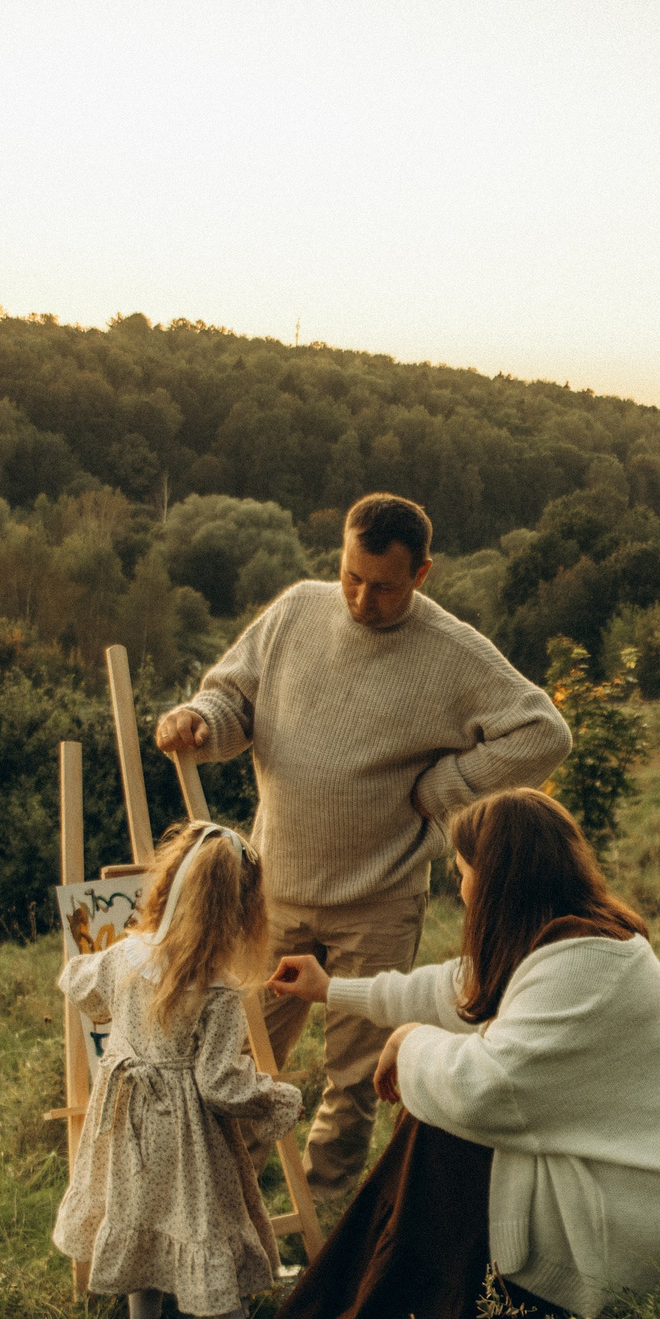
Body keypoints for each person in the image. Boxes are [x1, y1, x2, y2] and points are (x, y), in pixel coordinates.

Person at [154, 493, 571, 1200]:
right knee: (240, 1053)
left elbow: (543, 732)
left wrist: (445, 787)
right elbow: (233, 698)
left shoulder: (451, 651)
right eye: (351, 576)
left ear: (422, 573)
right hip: (276, 890)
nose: (361, 599)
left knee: (352, 1077)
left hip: (378, 900)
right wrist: (199, 720)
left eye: (383, 587)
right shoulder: (296, 612)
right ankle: (226, 1201)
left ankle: (323, 1215)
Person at [267, 788, 660, 1319]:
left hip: (644, 1214)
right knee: (438, 1095)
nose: (463, 890)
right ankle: (361, 1300)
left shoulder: (582, 965)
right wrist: (329, 989)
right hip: (642, 1191)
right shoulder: (566, 941)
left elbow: (487, 1092)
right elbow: (453, 989)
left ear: (497, 882)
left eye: (464, 873)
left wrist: (408, 1043)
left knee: (443, 1123)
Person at [53, 820, 303, 1319]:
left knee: (135, 1210)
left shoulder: (124, 956)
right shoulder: (216, 989)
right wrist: (276, 1098)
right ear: (238, 912)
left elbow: (80, 982)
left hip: (125, 1120)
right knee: (202, 1219)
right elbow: (219, 1083)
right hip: (188, 1136)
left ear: (167, 886)